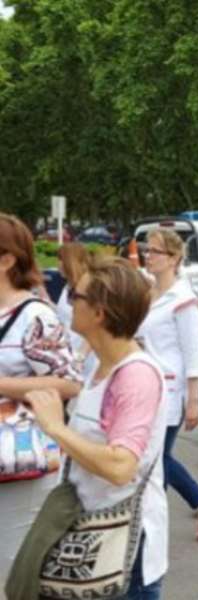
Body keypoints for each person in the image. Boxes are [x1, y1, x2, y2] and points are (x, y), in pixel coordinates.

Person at [23, 257, 168, 598]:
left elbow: (121, 467)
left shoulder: (135, 376)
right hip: (93, 536)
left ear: (100, 313)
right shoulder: (103, 366)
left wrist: (57, 428)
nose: (69, 301)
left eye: (77, 295)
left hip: (122, 551)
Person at [0, 214, 82, 583]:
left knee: (14, 573)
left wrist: (4, 385)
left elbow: (68, 382)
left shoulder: (34, 316)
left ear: (7, 260)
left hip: (21, 462)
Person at [138, 229, 198, 541]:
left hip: (171, 392)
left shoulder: (183, 300)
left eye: (155, 251)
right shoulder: (148, 293)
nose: (148, 255)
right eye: (146, 250)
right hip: (145, 388)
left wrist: (193, 401)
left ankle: (149, 532)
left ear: (174, 258)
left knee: (156, 460)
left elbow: (192, 354)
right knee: (154, 459)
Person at [54, 243, 92, 364]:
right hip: (68, 353)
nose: (57, 264)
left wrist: (80, 356)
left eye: (60, 259)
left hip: (85, 358)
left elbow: (96, 326)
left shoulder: (88, 288)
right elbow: (63, 315)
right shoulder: (67, 288)